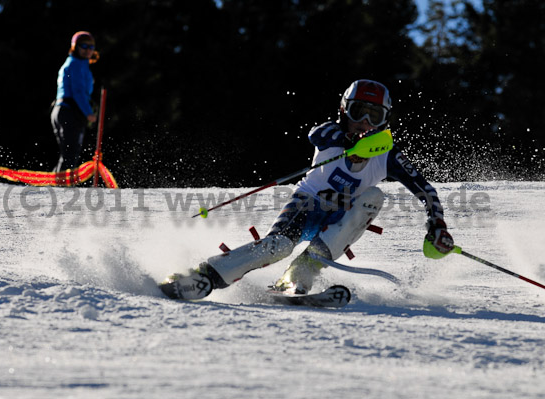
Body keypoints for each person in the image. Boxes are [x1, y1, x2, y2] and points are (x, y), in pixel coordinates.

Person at [164, 79, 455, 298]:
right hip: (307, 205)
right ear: (343, 110)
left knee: (374, 197)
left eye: (374, 116)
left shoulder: (388, 155)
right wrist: (349, 144)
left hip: (340, 221)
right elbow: (316, 134)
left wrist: (437, 222)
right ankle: (205, 276)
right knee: (276, 246)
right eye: (357, 112)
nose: (364, 123)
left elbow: (426, 190)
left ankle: (298, 276)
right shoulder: (332, 132)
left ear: (385, 121)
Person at [51, 31, 99, 172]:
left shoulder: (79, 64)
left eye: (91, 47)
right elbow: (78, 92)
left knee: (68, 155)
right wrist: (88, 112)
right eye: (84, 46)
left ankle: (57, 185)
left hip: (62, 110)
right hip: (69, 111)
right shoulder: (76, 64)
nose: (88, 50)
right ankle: (60, 187)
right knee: (70, 155)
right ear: (75, 47)